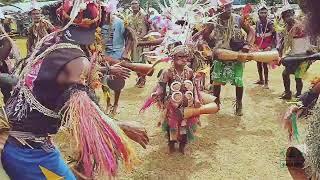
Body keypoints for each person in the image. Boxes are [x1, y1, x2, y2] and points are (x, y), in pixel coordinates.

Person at [0, 1, 148, 179]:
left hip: (20, 140)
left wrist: (109, 69)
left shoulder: (51, 40)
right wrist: (121, 127)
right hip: (27, 151)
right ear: (100, 22)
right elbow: (83, 114)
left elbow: (62, 83)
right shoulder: (77, 60)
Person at [141, 45, 218, 154]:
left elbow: (195, 87)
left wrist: (196, 99)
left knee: (185, 126)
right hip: (173, 104)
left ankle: (182, 146)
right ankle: (171, 145)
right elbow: (161, 86)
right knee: (172, 126)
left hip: (188, 103)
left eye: (185, 57)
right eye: (180, 56)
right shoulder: (167, 72)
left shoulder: (190, 72)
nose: (183, 59)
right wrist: (157, 93)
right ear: (173, 57)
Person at [210, 0, 255, 116]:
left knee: (238, 81)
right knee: (216, 81)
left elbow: (251, 31)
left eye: (230, 6)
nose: (229, 9)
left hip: (236, 55)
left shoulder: (238, 19)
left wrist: (246, 45)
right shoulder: (213, 21)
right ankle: (216, 103)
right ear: (219, 9)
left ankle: (239, 105)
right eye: (225, 7)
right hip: (220, 56)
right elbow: (205, 36)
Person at [100, 3, 133, 115]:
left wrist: (125, 53)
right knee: (103, 81)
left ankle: (116, 104)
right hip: (103, 56)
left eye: (106, 13)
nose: (104, 16)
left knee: (117, 82)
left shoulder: (119, 22)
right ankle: (108, 103)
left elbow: (130, 38)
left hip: (117, 56)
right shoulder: (97, 23)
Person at [278, 5, 312, 100]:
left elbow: (309, 37)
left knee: (298, 77)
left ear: (293, 14)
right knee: (285, 74)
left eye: (290, 14)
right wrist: (281, 55)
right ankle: (288, 93)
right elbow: (283, 43)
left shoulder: (301, 26)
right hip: (293, 55)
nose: (288, 17)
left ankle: (298, 95)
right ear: (283, 18)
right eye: (285, 16)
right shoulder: (286, 28)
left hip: (304, 55)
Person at [128, 0, 149, 88]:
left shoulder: (144, 16)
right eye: (132, 4)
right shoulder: (129, 17)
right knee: (135, 62)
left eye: (135, 4)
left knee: (142, 62)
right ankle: (139, 78)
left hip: (142, 42)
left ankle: (143, 79)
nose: (134, 5)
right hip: (133, 43)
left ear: (139, 5)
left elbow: (147, 29)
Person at [254, 4, 275, 89]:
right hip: (259, 46)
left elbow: (275, 36)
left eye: (265, 13)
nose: (263, 14)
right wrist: (255, 45)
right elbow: (256, 34)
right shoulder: (257, 22)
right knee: (258, 63)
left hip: (267, 46)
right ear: (258, 13)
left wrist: (270, 46)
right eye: (261, 13)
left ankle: (266, 82)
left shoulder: (270, 23)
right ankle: (261, 79)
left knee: (265, 64)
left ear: (267, 13)